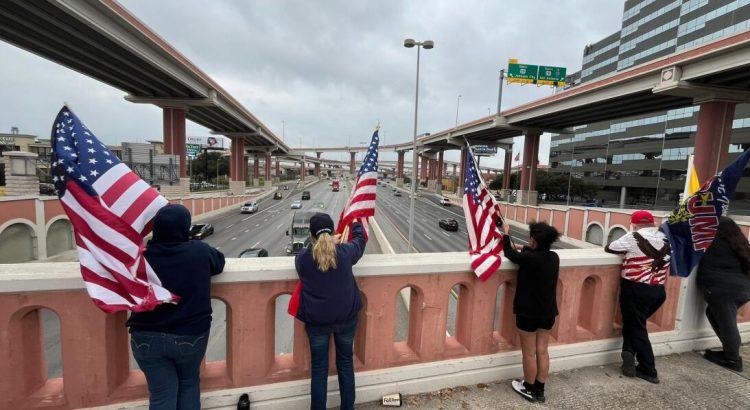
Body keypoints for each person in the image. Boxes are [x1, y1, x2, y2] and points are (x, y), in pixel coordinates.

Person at [126, 204, 225, 410]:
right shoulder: (198, 251)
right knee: (189, 385)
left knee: (161, 396)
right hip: (189, 336)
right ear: (185, 228)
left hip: (146, 337)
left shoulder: (141, 257)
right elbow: (219, 263)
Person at [295, 213, 366, 410]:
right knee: (345, 364)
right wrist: (355, 223)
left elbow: (313, 252)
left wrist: (324, 242)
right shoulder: (345, 253)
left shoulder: (303, 259)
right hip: (346, 320)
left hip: (317, 323)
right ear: (334, 231)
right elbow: (360, 242)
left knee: (319, 369)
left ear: (311, 235)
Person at [605, 210, 670, 384]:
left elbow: (610, 247)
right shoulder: (666, 238)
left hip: (636, 289)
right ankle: (628, 351)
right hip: (658, 291)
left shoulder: (633, 236)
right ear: (652, 222)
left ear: (634, 223)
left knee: (637, 327)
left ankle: (649, 369)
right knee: (634, 323)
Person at [502, 221, 560, 404]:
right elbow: (533, 254)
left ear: (534, 241)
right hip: (548, 313)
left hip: (528, 313)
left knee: (529, 353)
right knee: (542, 351)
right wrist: (525, 246)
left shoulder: (529, 259)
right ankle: (540, 390)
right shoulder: (554, 257)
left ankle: (528, 388)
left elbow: (509, 253)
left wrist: (506, 234)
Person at [697, 216, 750, 371]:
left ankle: (733, 360)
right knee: (712, 313)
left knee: (728, 324)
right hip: (743, 289)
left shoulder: (713, 241)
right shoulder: (739, 242)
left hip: (722, 290)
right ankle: (729, 351)